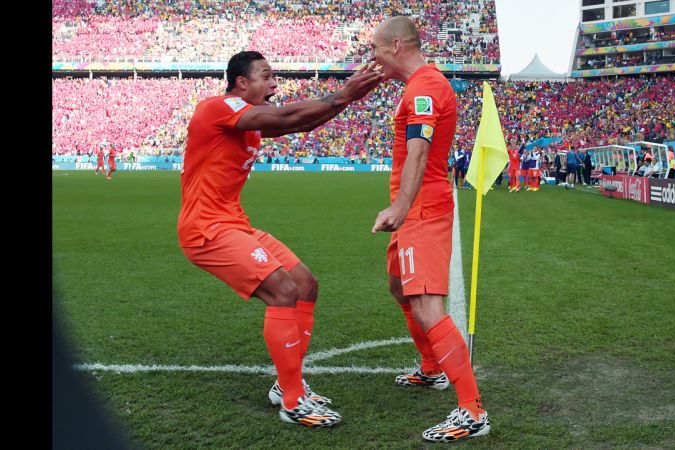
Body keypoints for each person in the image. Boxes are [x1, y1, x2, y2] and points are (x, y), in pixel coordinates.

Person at [177, 50, 383, 428]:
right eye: (267, 77)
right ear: (242, 82)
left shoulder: (249, 121)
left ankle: (287, 384)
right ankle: (293, 400)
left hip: (234, 224)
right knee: (282, 291)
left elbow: (300, 124)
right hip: (206, 229)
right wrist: (344, 94)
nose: (275, 84)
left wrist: (348, 98)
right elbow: (287, 115)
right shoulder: (218, 108)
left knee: (305, 284)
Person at [368, 16, 490, 442]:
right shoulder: (417, 85)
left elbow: (419, 150)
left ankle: (472, 410)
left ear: (397, 45)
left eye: (377, 50)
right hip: (414, 208)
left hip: (422, 209)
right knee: (399, 288)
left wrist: (400, 207)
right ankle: (432, 368)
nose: (374, 58)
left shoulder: (425, 86)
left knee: (427, 307)